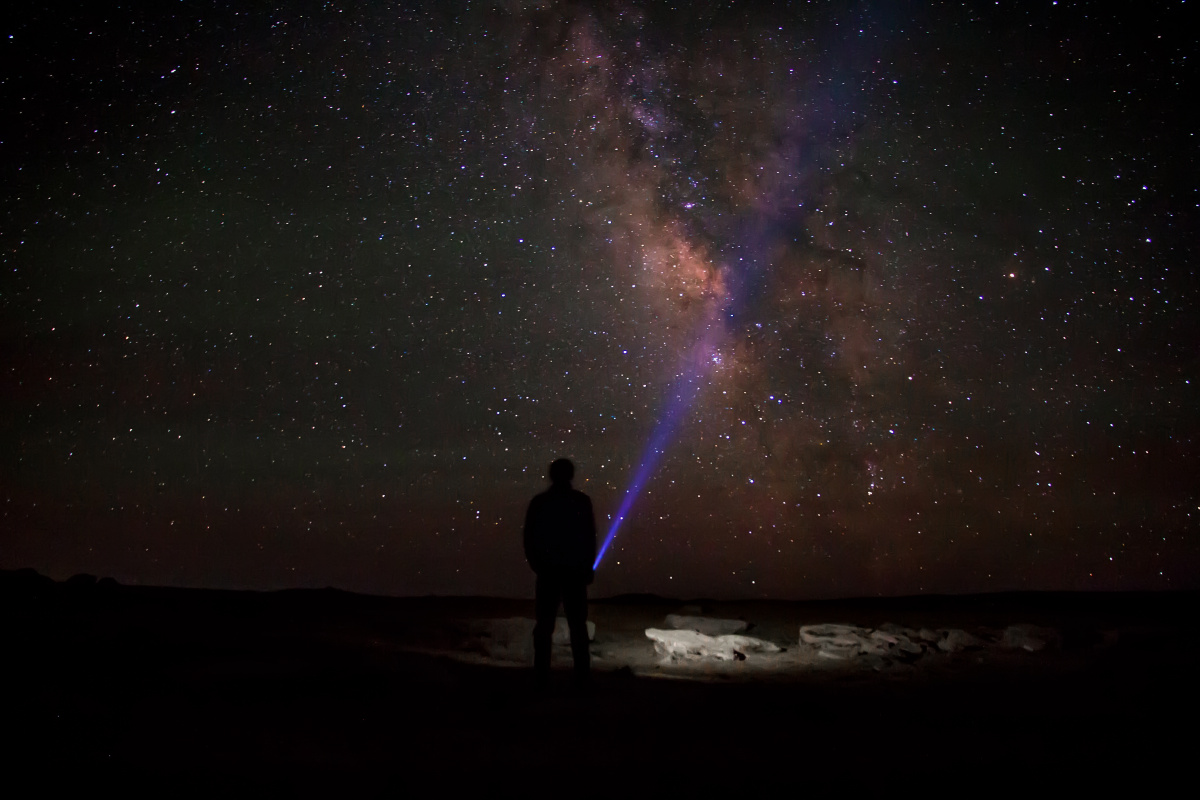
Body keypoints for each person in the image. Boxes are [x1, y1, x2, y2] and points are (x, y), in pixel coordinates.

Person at [523, 457, 597, 687]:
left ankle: (542, 676)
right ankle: (582, 677)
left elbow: (529, 538)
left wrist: (538, 565)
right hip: (572, 572)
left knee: (545, 626)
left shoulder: (540, 502)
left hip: (550, 572)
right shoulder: (581, 502)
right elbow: (589, 538)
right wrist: (587, 567)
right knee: (577, 626)